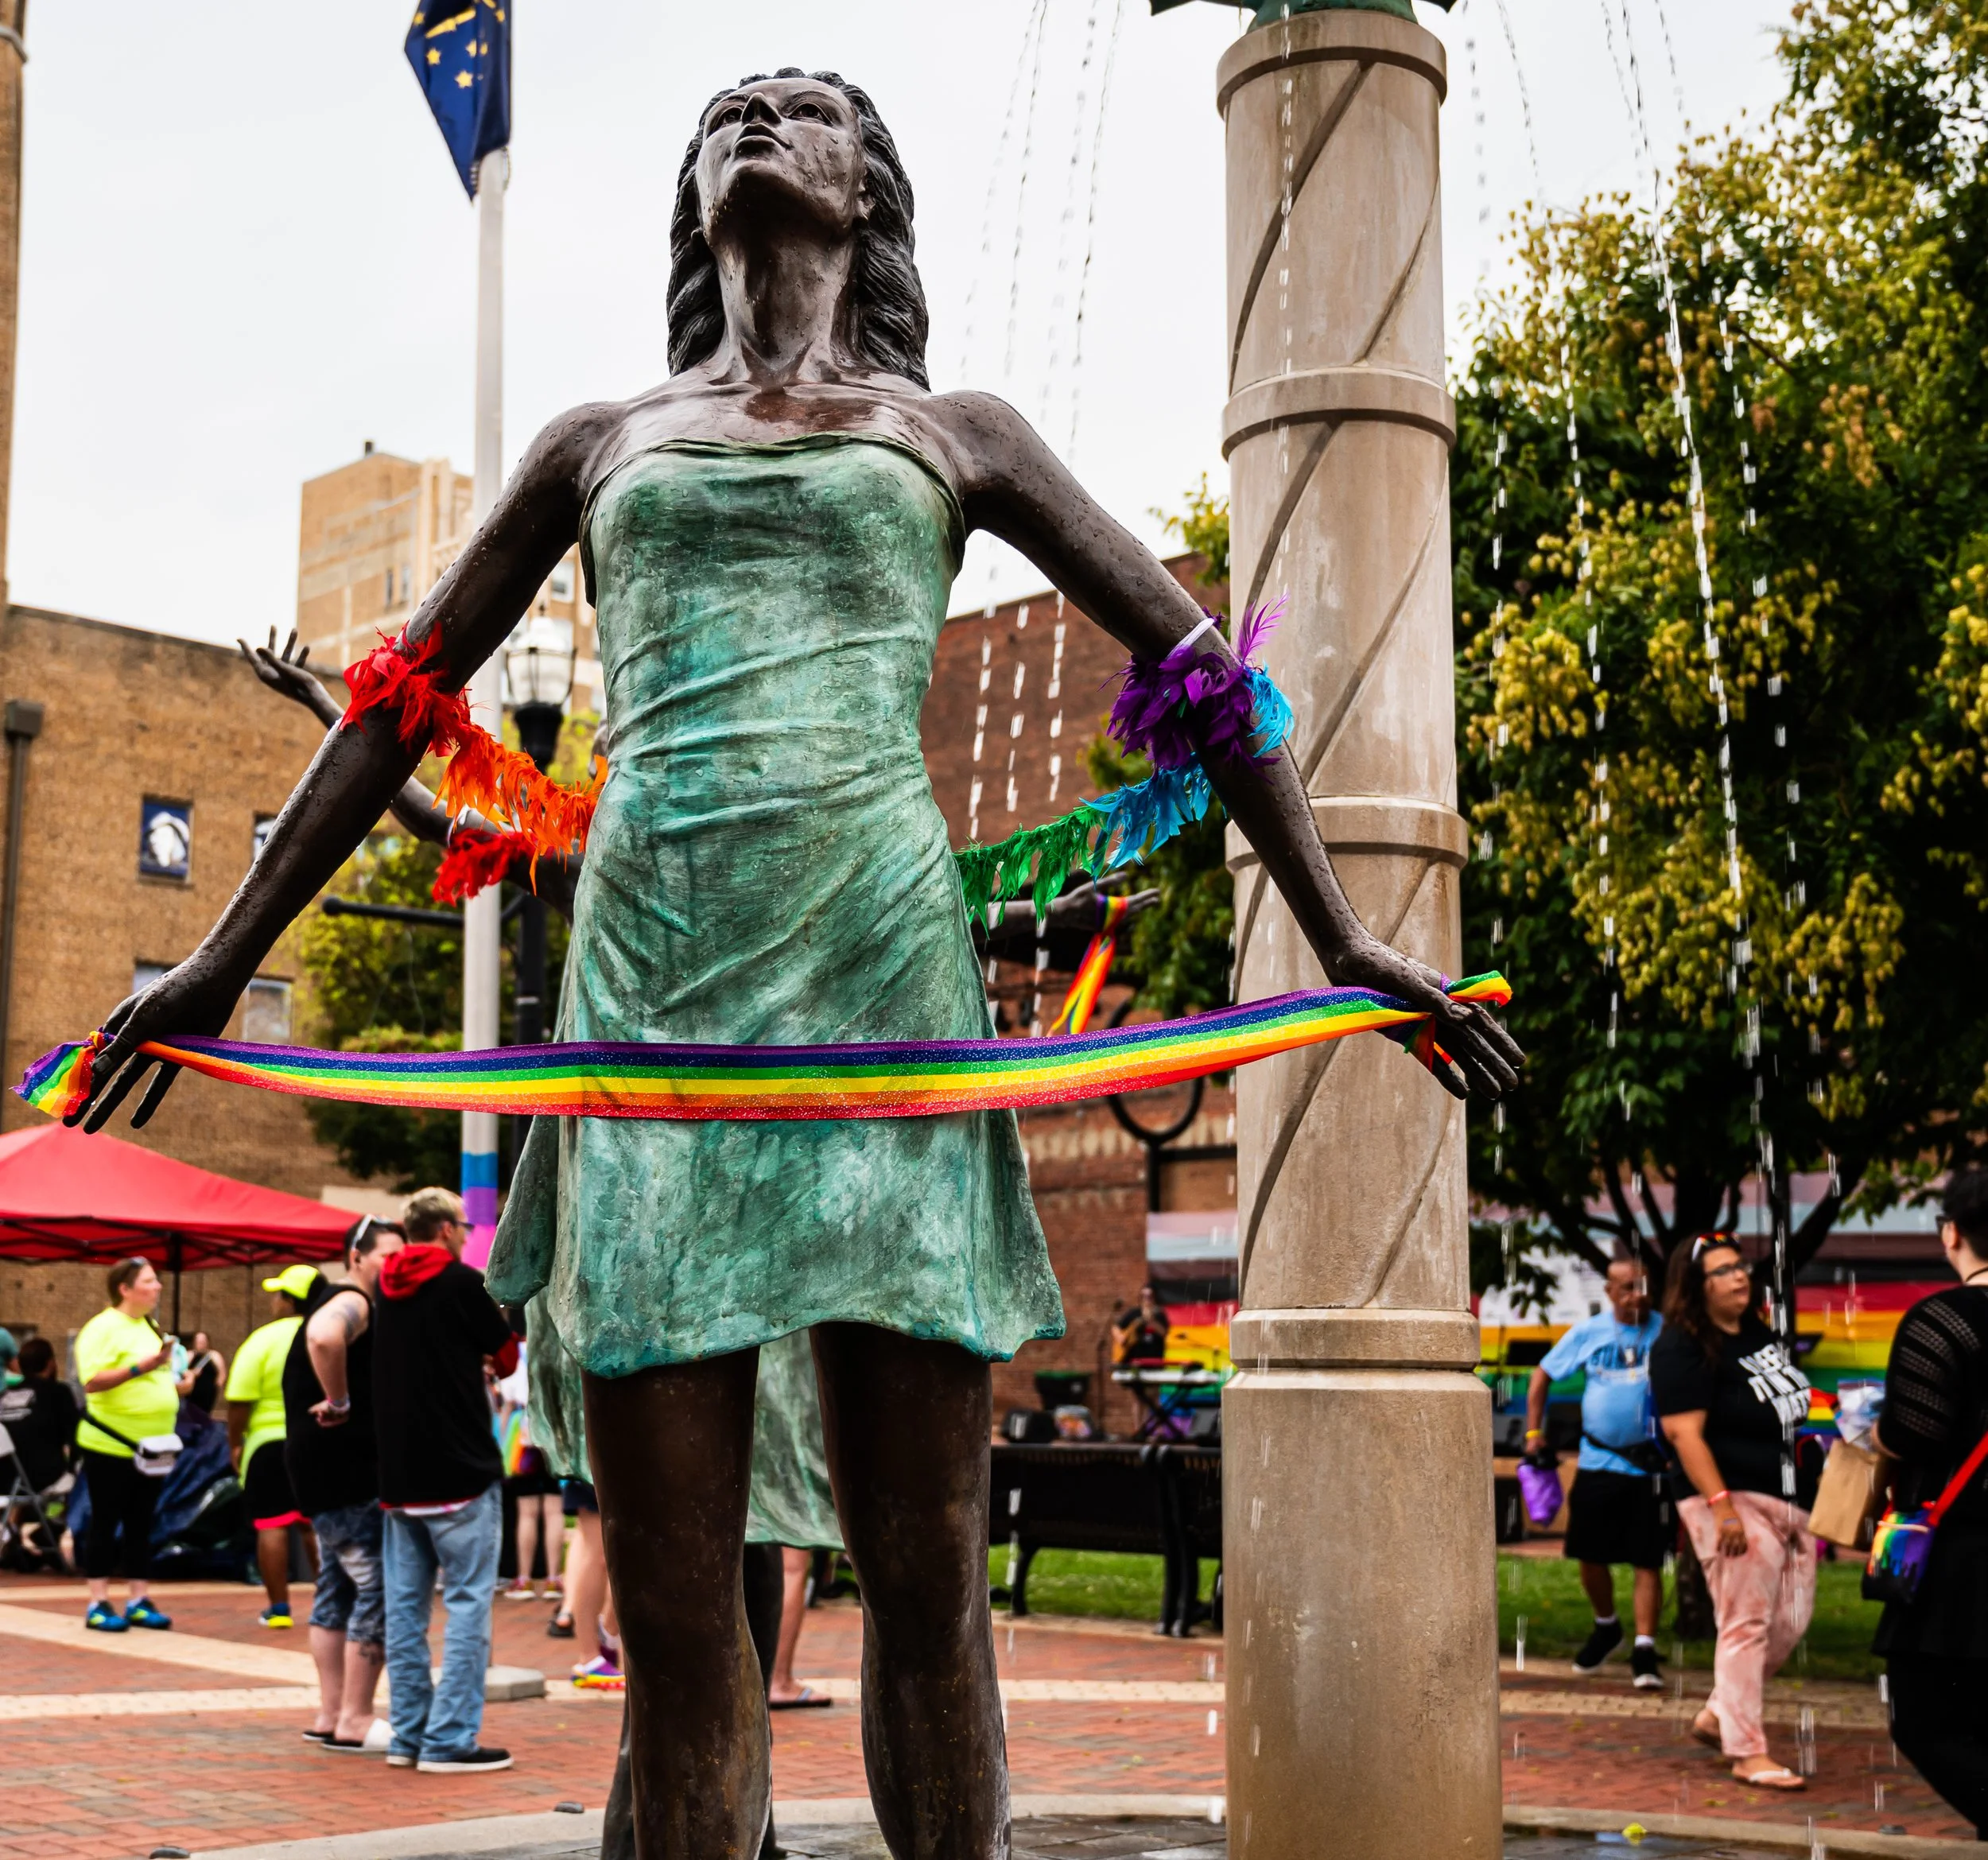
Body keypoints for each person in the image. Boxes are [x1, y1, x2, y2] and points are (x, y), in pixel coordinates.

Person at [71, 68, 1522, 1851]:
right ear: (693, 197)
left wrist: (1347, 929)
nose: (760, 122)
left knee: (926, 1588)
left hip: (883, 1011)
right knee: (685, 1635)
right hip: (657, 1022)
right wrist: (220, 958)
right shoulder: (596, 445)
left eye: (803, 109)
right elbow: (394, 710)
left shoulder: (955, 433)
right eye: (729, 111)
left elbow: (1202, 669)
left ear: (865, 193)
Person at [1652, 1233, 1815, 1790]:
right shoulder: (1682, 1346)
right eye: (1722, 1271)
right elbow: (1683, 1432)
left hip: (1786, 1500)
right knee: (1745, 1626)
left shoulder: (1756, 1334)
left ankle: (1720, 1712)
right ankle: (1747, 1751)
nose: (1740, 1276)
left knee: (1789, 1621)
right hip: (1727, 1501)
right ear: (1696, 1288)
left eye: (1740, 1266)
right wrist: (1722, 1509)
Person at [373, 1186, 518, 1773]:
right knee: (466, 1605)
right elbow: (507, 1354)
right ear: (446, 1229)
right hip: (461, 1471)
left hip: (400, 1477)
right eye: (462, 1224)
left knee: (404, 1611)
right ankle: (450, 1738)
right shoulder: (463, 1282)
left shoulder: (383, 1289)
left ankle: (407, 1734)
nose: (465, 1232)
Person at [1870, 1167, 1988, 1839]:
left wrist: (1873, 1430)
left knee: (1927, 1719)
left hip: (1960, 1563)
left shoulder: (1941, 1320)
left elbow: (1915, 1431)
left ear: (1952, 1232)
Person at [285, 1217, 403, 1752]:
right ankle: (355, 1716)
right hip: (348, 1474)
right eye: (387, 1253)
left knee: (337, 1586)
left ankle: (331, 1713)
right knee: (374, 1586)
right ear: (357, 1256)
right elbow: (324, 1334)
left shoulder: (349, 1300)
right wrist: (340, 1400)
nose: (395, 1263)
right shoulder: (353, 1301)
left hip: (323, 1473)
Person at [1528, 1256, 1668, 1687]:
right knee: (1589, 1553)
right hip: (1599, 1461)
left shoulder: (1667, 1331)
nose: (1635, 1295)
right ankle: (1607, 1625)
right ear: (1608, 1292)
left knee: (1648, 1558)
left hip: (1652, 1465)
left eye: (1642, 1286)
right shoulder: (1590, 1332)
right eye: (1625, 1287)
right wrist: (1535, 1432)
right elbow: (1542, 1375)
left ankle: (1645, 1649)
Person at [72, 1258, 177, 1631]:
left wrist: (177, 1385)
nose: (158, 1287)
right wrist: (142, 1368)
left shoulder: (148, 1326)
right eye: (150, 1281)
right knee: (105, 1520)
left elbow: (151, 1377)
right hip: (111, 1443)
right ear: (125, 1289)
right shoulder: (102, 1329)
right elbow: (92, 1381)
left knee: (141, 1522)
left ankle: (138, 1598)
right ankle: (98, 1602)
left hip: (152, 1446)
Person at [228, 1264, 318, 1628]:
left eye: (278, 1294)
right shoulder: (325, 1331)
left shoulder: (261, 1340)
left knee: (272, 1524)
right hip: (314, 1441)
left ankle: (279, 1610)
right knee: (316, 1525)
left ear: (288, 1300)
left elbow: (238, 1402)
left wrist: (235, 1445)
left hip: (267, 1444)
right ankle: (335, 1601)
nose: (273, 1301)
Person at [0, 1335, 81, 1493]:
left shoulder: (4, 1396)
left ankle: (15, 1516)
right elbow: (75, 1437)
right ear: (50, 1363)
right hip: (41, 1477)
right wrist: (72, 1470)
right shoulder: (58, 1392)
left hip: (4, 1479)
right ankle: (68, 1514)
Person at [1113, 1286, 1172, 1365]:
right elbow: (1116, 1327)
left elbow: (1164, 1333)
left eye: (1149, 1297)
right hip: (1134, 1361)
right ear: (1140, 1298)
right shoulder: (1134, 1313)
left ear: (1154, 1298)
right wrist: (1121, 1338)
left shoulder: (1159, 1314)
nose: (1147, 1299)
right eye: (1144, 1296)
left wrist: (1151, 1321)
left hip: (1154, 1361)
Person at [180, 1330, 224, 1415]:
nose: (201, 1343)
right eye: (199, 1341)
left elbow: (222, 1374)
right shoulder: (189, 1355)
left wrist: (216, 1388)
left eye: (203, 1341)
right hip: (191, 1392)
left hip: (208, 1393)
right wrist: (192, 1373)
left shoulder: (214, 1355)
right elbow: (181, 1371)